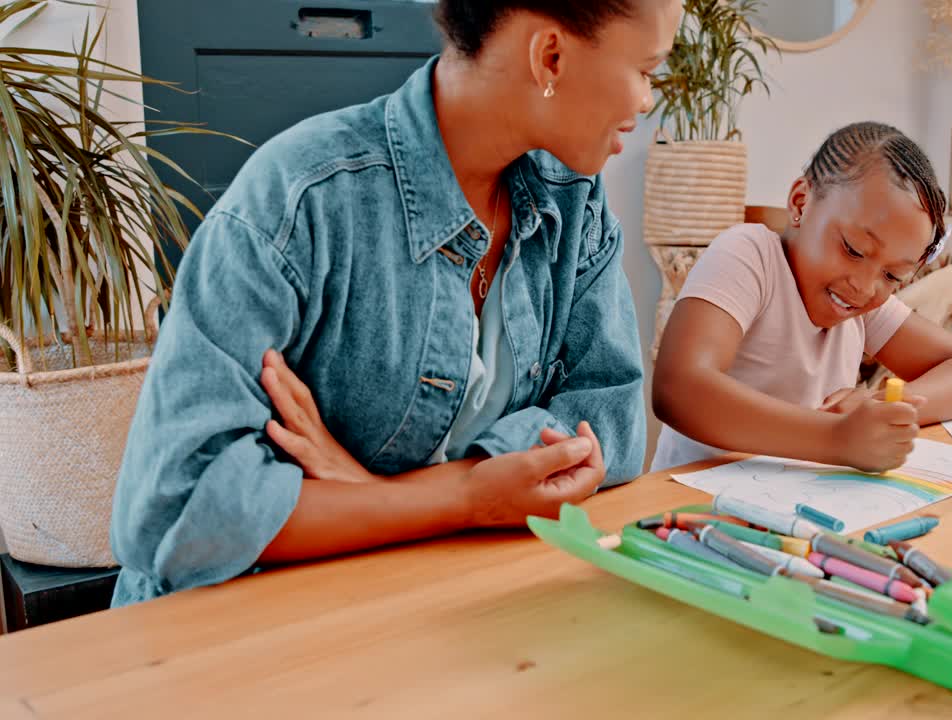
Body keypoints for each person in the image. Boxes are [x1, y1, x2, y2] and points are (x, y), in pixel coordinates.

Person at [109, 0, 682, 606]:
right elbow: (172, 511)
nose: (646, 102)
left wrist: (367, 490)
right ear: (551, 56)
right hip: (237, 635)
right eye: (646, 70)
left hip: (432, 610)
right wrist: (466, 496)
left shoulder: (573, 199)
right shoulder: (302, 197)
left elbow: (611, 421)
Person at [651, 121, 952, 472]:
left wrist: (882, 413)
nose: (865, 287)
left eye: (892, 275)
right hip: (687, 507)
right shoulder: (750, 256)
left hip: (788, 505)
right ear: (801, 203)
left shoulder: (862, 306)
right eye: (853, 249)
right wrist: (836, 438)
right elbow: (678, 388)